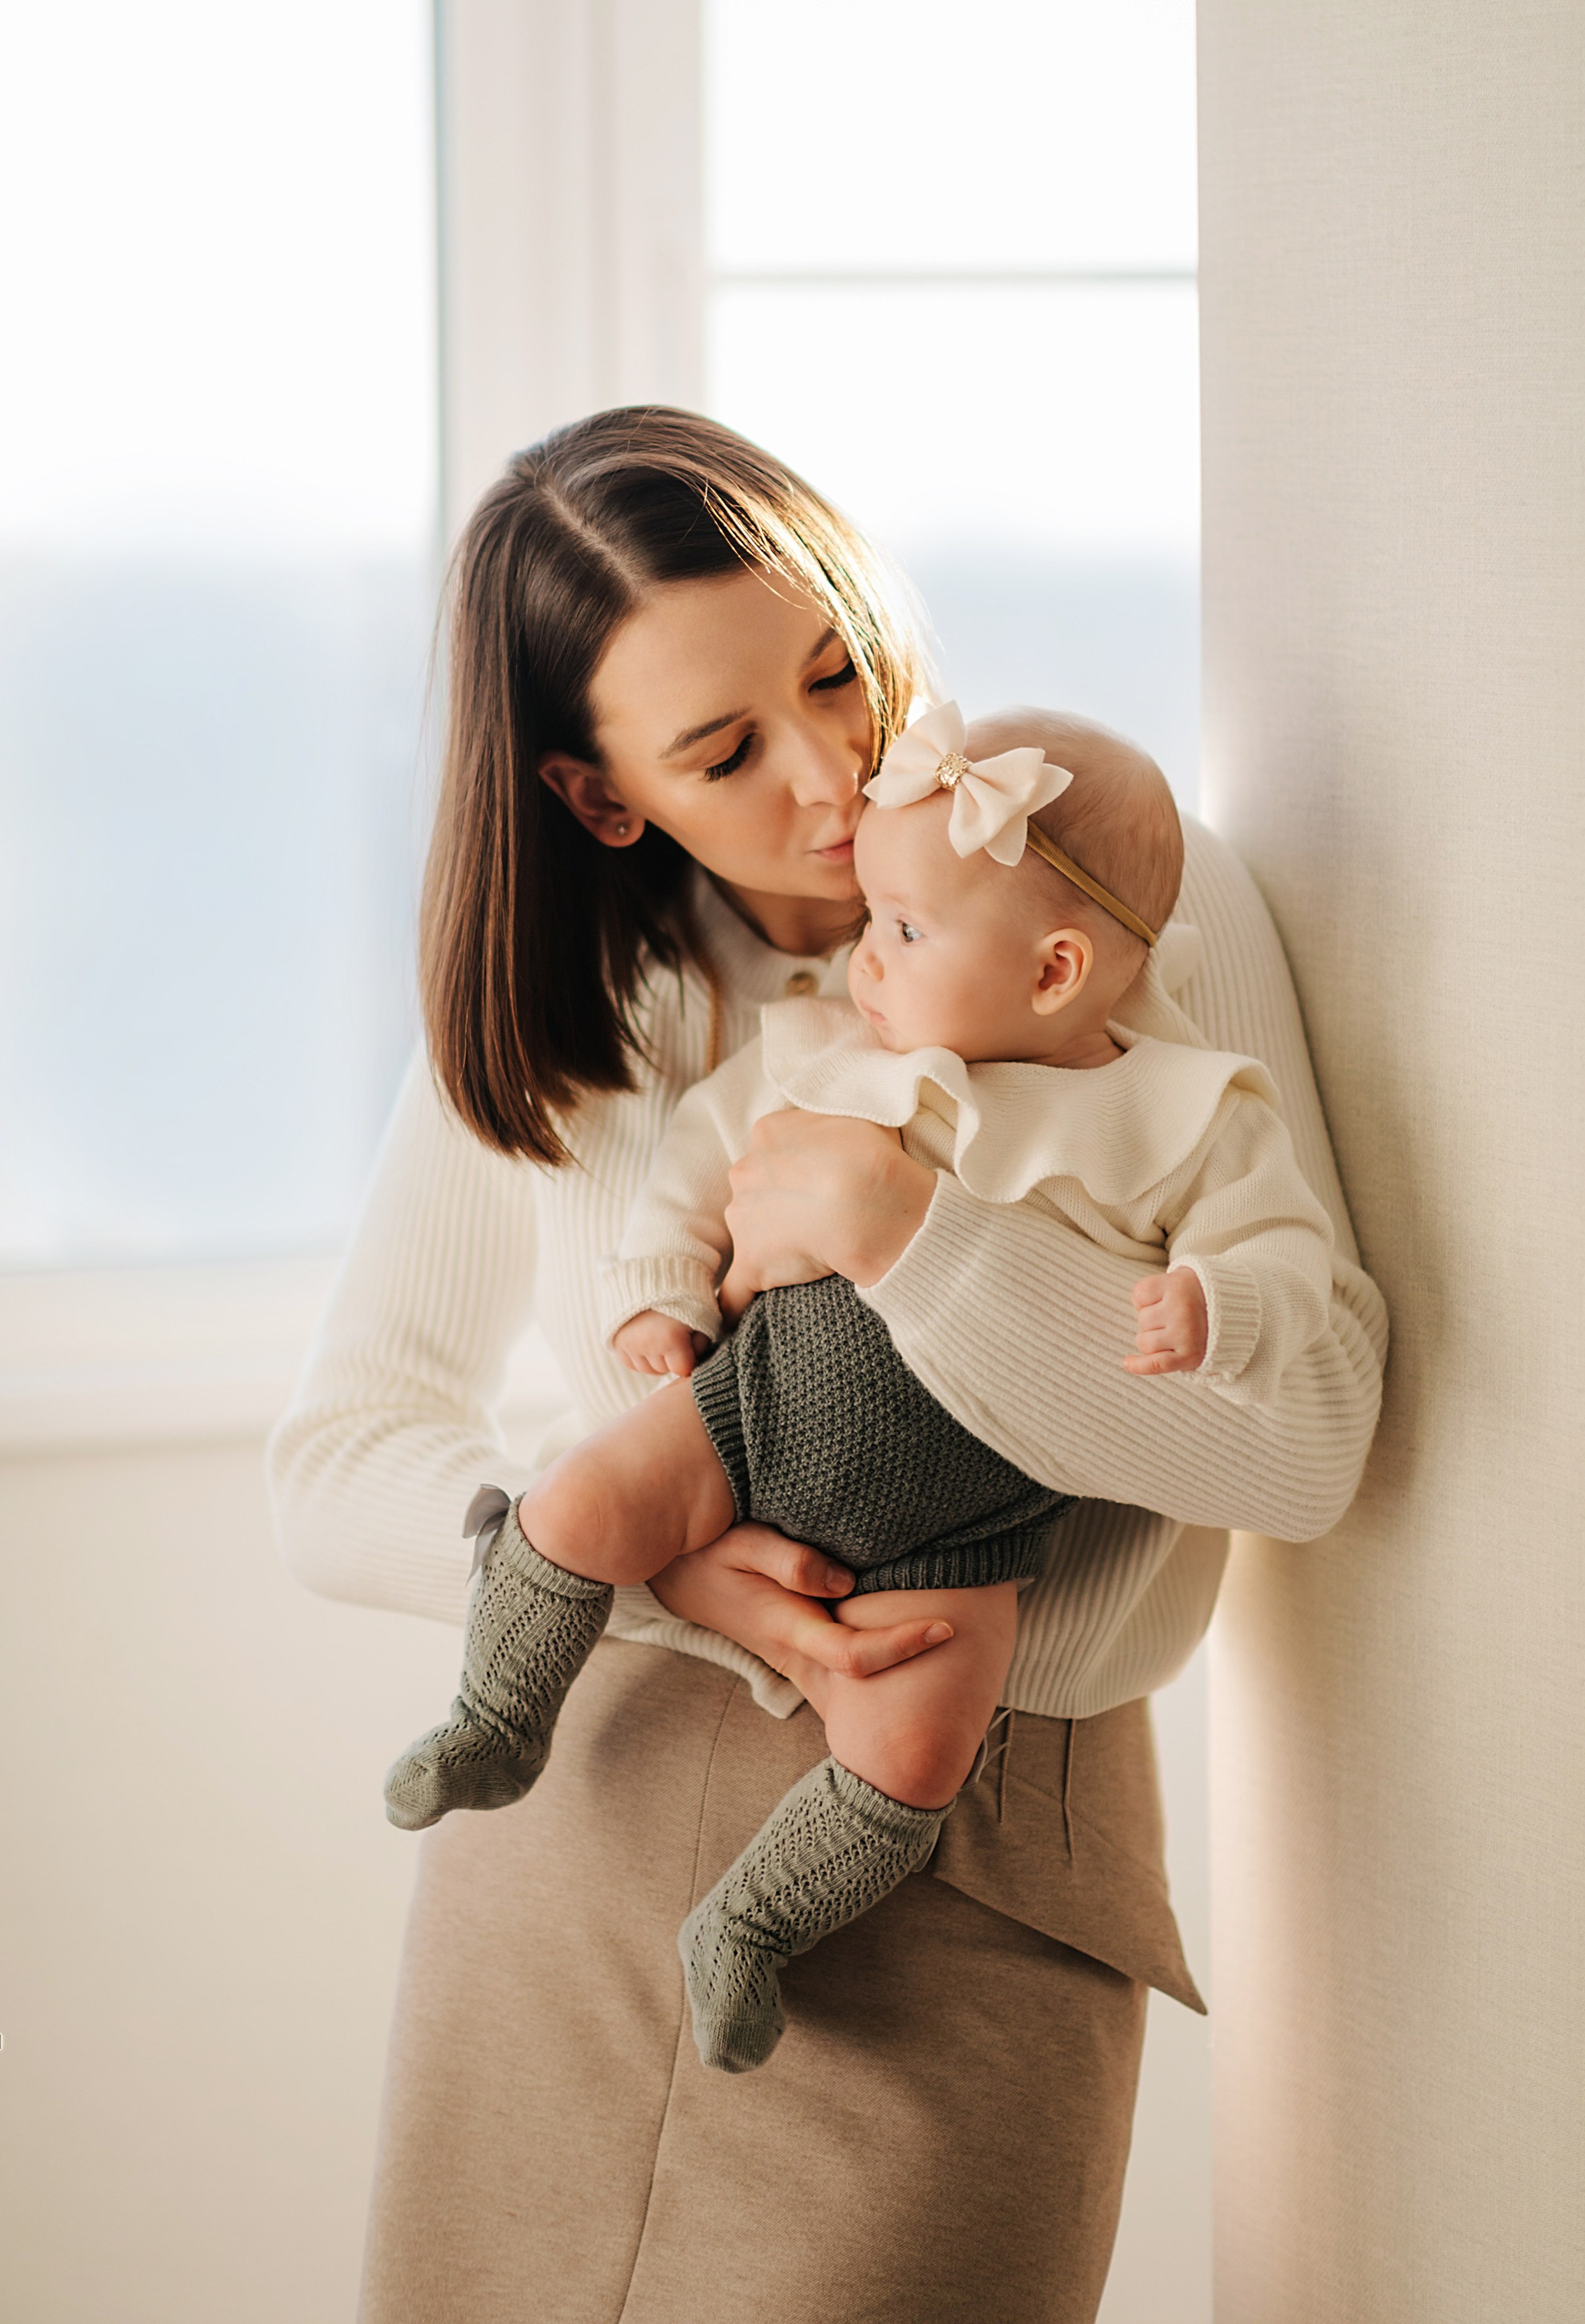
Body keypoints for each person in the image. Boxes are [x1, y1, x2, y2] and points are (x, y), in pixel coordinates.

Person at [267, 407, 1386, 2324]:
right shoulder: (583, 1007)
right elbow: (341, 1452)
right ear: (599, 795)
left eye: (837, 670)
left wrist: (913, 1237)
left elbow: (1300, 1447)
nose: (833, 765)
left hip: (969, 1822)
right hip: (582, 1825)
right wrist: (665, 1568)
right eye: (722, 749)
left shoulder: (1118, 898)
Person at [382, 700, 1339, 2081]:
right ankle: (492, 1716)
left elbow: (1280, 1252)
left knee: (915, 1746)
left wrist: (1219, 1304)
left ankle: (754, 1924)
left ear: (1057, 968)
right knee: (579, 1501)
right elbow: (703, 1162)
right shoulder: (836, 1043)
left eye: (900, 930)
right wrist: (656, 1289)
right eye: (712, 744)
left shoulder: (1187, 1108)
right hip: (750, 1410)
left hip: (969, 1526)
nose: (861, 954)